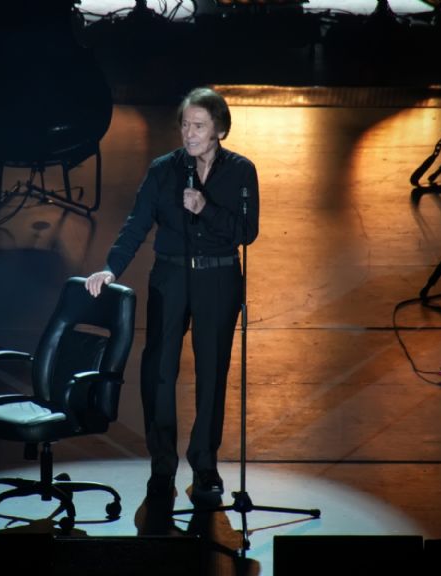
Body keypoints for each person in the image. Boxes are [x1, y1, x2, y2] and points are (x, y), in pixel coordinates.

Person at [85, 87, 259, 505]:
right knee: (159, 372)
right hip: (171, 278)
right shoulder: (164, 169)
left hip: (218, 280)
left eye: (199, 125)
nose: (189, 133)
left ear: (220, 129)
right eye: (185, 124)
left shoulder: (241, 171)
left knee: (212, 372)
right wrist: (111, 267)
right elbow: (136, 222)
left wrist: (205, 208)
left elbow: (246, 231)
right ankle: (161, 467)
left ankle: (205, 467)